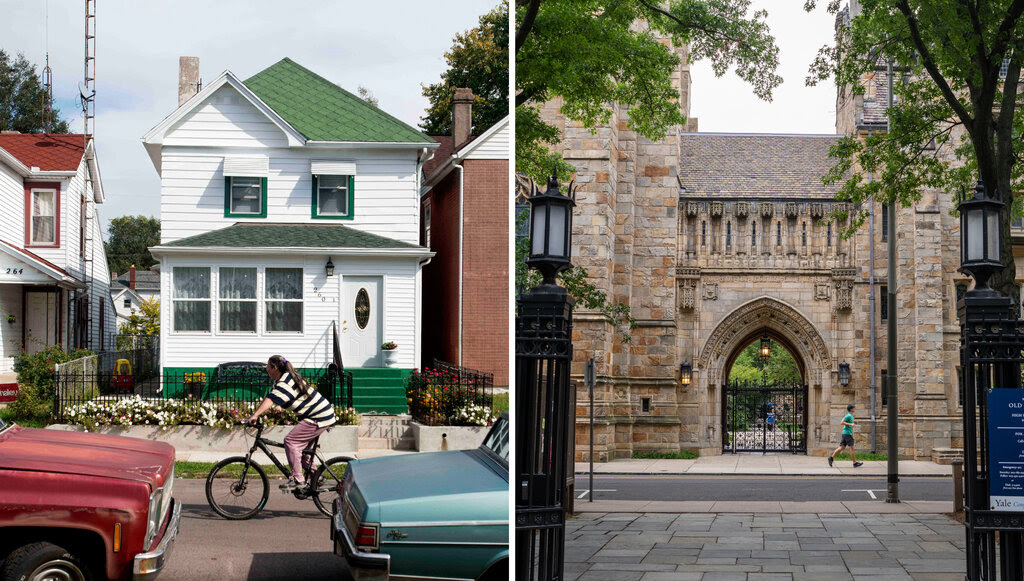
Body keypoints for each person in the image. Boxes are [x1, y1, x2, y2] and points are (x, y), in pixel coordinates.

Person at [247, 355, 337, 491]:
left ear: (274, 368)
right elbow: (279, 397)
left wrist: (255, 415)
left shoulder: (285, 381)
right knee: (302, 452)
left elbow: (271, 399)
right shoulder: (287, 378)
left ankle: (298, 479)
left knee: (291, 442)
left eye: (267, 366)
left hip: (317, 416)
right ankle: (316, 477)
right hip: (321, 414)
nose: (266, 369)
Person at [828, 404, 863, 468]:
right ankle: (855, 463)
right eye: (853, 408)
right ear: (851, 409)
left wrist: (854, 422)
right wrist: (850, 424)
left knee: (842, 447)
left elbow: (849, 423)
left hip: (846, 433)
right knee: (852, 448)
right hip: (847, 434)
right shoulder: (848, 416)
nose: (854, 409)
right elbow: (841, 422)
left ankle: (831, 458)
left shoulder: (851, 416)